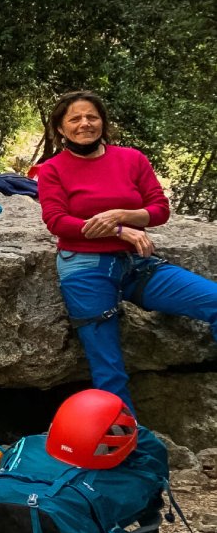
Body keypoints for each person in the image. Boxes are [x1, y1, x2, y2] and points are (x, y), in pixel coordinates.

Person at [38, 91, 217, 410]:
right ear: (61, 130)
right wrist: (121, 229)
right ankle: (127, 450)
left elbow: (159, 209)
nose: (85, 124)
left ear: (103, 122)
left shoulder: (132, 159)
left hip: (136, 264)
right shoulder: (52, 169)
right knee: (109, 371)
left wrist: (120, 215)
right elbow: (58, 221)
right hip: (84, 268)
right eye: (75, 119)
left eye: (92, 116)